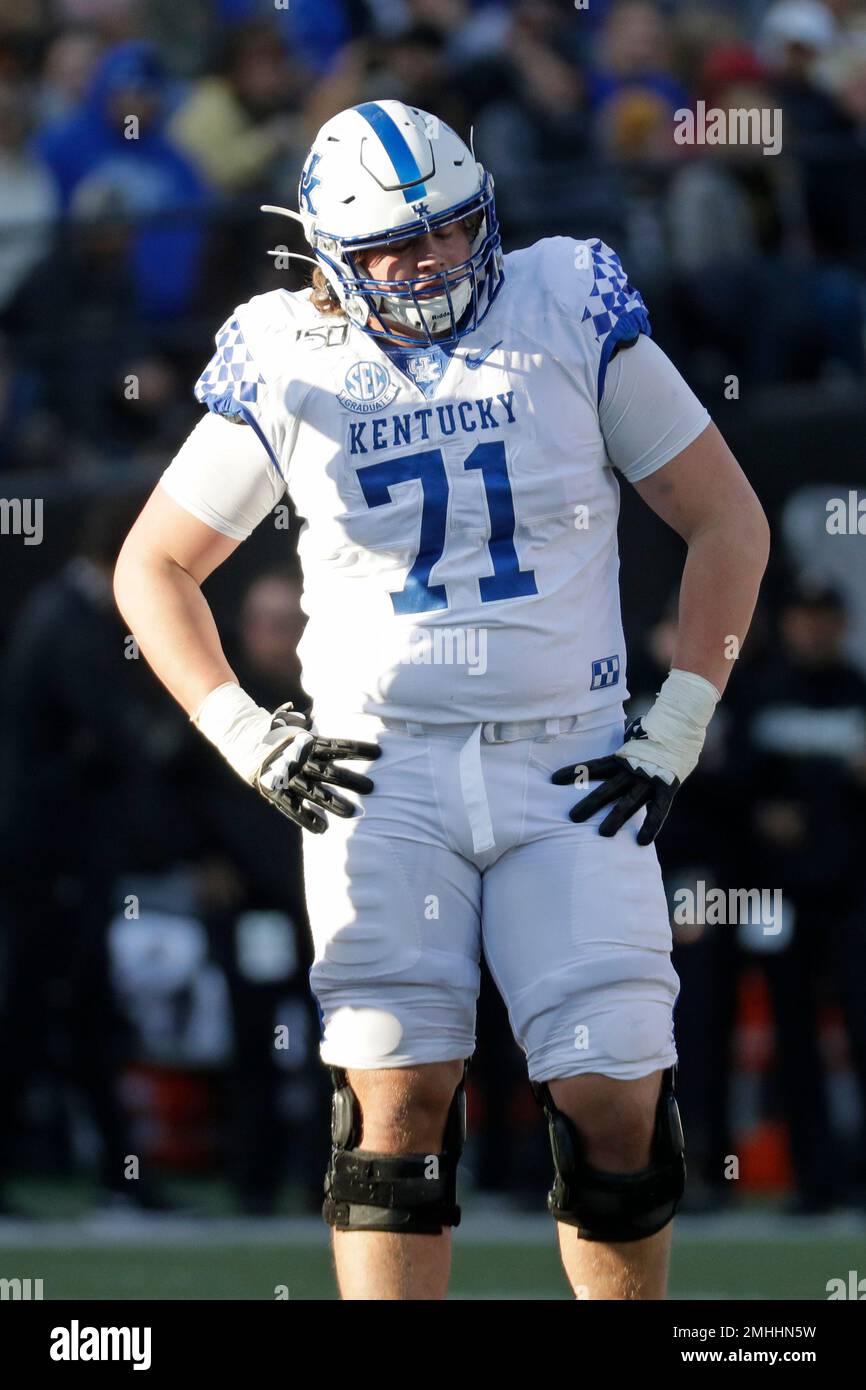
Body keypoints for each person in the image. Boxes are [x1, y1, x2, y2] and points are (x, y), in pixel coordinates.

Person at [113, 100, 770, 1300]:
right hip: (385, 769)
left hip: (564, 752)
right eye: (387, 250)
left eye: (448, 232)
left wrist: (679, 719)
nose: (425, 265)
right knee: (393, 1094)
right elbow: (151, 566)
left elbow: (725, 516)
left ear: (487, 218)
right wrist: (244, 732)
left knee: (616, 1089)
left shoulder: (564, 299)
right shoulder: (285, 350)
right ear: (323, 258)